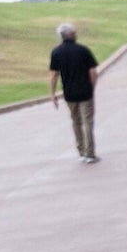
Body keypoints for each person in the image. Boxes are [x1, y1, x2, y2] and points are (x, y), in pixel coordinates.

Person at [47, 21, 99, 163]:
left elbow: (53, 75)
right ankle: (90, 153)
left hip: (69, 94)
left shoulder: (56, 52)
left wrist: (52, 95)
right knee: (87, 122)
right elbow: (93, 72)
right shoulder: (83, 50)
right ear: (72, 35)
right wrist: (92, 87)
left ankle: (81, 151)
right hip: (85, 92)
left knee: (76, 122)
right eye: (75, 32)